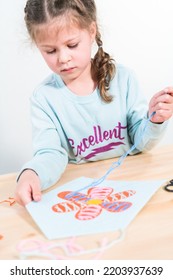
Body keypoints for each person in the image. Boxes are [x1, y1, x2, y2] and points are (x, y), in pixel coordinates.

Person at [15, 0, 173, 206]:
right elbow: (50, 153)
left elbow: (140, 142)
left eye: (72, 45)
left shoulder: (123, 79)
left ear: (91, 31)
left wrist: (155, 120)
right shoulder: (44, 98)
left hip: (133, 186)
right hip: (81, 196)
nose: (63, 58)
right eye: (50, 51)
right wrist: (31, 174)